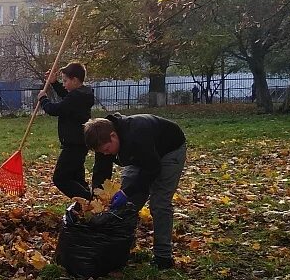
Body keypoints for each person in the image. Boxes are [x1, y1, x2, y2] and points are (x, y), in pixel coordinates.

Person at [84, 113, 186, 269]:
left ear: (113, 136)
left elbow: (152, 168)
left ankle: (163, 256)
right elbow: (101, 171)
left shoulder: (137, 134)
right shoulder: (102, 137)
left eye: (107, 149)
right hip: (139, 156)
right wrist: (97, 198)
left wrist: (126, 192)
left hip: (168, 152)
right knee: (129, 204)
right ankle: (123, 244)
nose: (106, 154)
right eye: (102, 151)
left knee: (159, 203)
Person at [36, 62, 95, 200]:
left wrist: (43, 99)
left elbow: (55, 109)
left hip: (74, 144)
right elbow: (66, 96)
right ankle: (88, 206)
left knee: (60, 178)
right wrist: (54, 82)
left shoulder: (76, 97)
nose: (64, 84)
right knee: (77, 179)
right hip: (79, 143)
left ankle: (89, 201)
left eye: (65, 80)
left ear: (74, 80)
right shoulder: (81, 94)